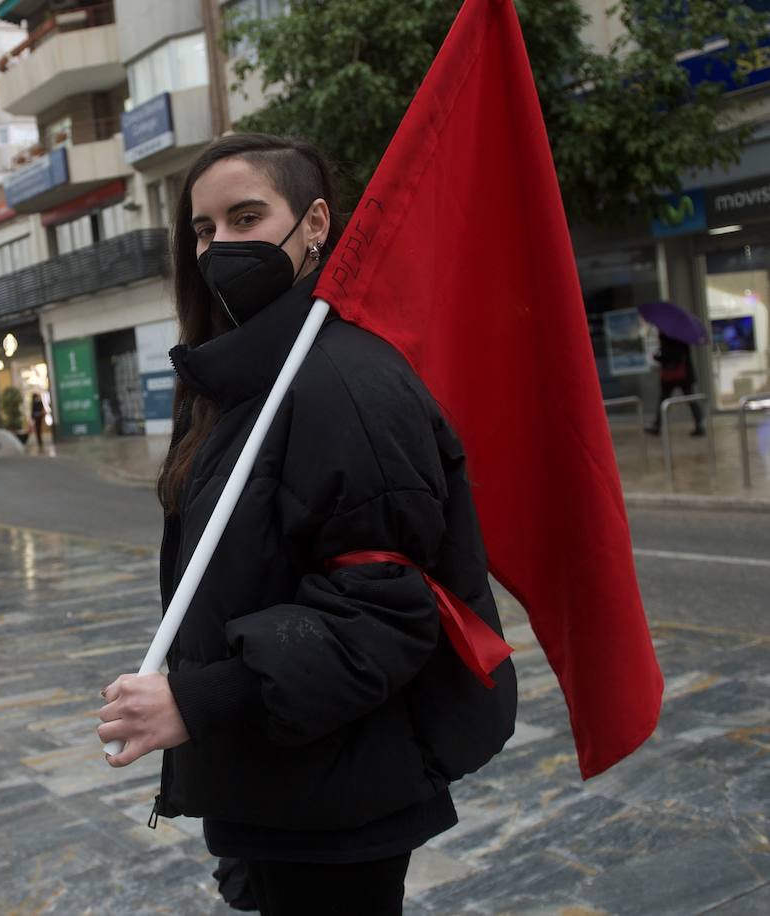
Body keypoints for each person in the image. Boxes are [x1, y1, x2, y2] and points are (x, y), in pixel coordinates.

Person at [95, 134, 516, 916]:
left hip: (339, 791)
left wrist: (202, 698)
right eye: (204, 228)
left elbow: (385, 610)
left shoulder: (345, 381)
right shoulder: (242, 377)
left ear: (315, 222)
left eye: (247, 216)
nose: (220, 245)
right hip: (277, 778)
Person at [646, 332, 705, 437]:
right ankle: (699, 423)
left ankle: (657, 426)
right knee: (689, 399)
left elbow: (671, 356)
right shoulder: (682, 335)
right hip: (684, 374)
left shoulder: (667, 336)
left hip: (675, 374)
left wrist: (657, 357)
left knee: (665, 400)